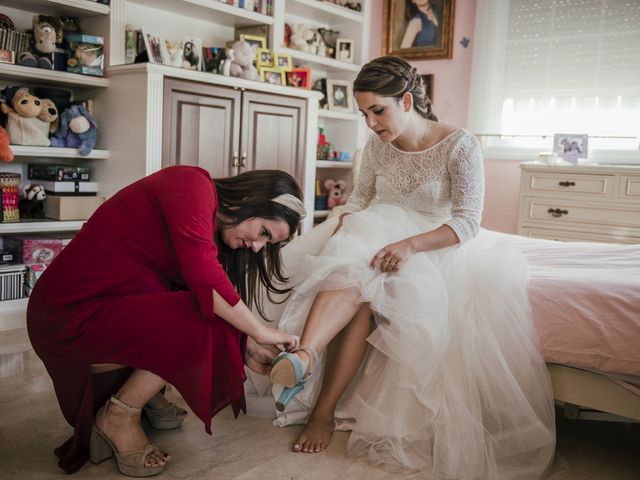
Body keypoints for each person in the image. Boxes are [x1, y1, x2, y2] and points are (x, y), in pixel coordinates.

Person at [268, 56, 556, 479]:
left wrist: (410, 245)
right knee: (356, 269)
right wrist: (347, 231)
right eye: (364, 113)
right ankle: (308, 362)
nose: (370, 123)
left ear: (406, 101)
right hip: (377, 234)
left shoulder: (461, 145)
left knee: (370, 275)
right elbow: (361, 202)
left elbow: (467, 221)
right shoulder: (376, 150)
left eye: (377, 111)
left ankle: (315, 385)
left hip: (434, 245)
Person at [27, 166, 304, 476]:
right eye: (264, 233)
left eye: (267, 243)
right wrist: (259, 331)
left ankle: (146, 396)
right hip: (66, 315)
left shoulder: (211, 223)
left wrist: (248, 346)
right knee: (201, 315)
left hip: (104, 309)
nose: (257, 246)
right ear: (252, 199)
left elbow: (198, 291)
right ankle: (119, 415)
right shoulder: (192, 184)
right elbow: (205, 282)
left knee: (204, 308)